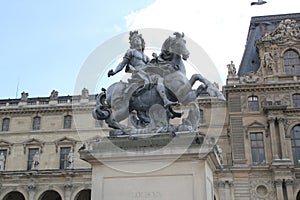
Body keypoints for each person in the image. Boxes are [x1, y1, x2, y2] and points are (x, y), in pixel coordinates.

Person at [108, 30, 176, 107]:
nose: (136, 40)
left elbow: (152, 65)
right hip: (138, 73)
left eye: (138, 39)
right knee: (158, 78)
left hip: (146, 72)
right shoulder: (131, 52)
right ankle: (165, 100)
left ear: (141, 41)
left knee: (161, 77)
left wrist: (156, 58)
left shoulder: (145, 57)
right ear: (132, 43)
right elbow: (122, 64)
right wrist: (114, 72)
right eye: (134, 40)